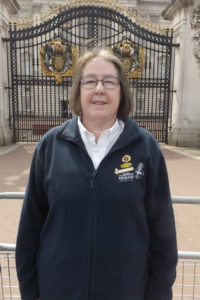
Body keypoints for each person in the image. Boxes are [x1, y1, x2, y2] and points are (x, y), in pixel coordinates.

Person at [16, 48, 177, 300]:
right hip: (59, 290)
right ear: (78, 91)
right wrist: (30, 292)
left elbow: (163, 232)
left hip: (126, 290)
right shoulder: (50, 145)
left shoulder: (145, 147)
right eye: (90, 81)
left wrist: (158, 294)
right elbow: (29, 229)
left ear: (121, 90)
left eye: (109, 81)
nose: (99, 89)